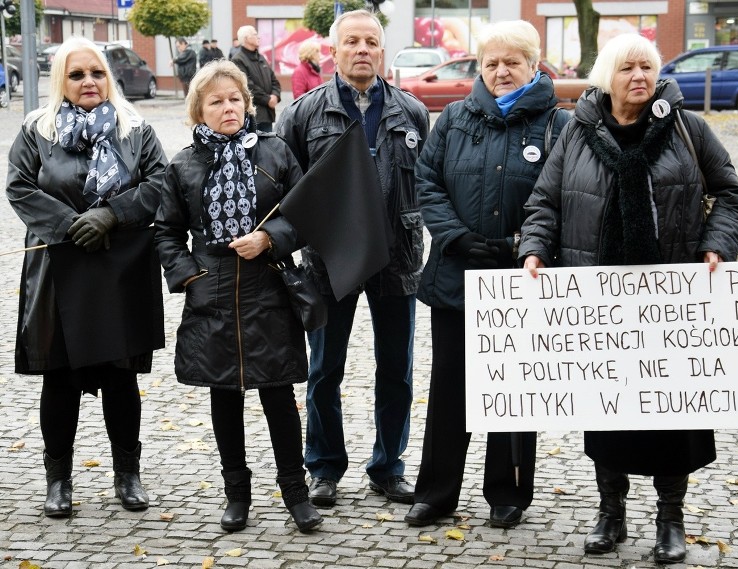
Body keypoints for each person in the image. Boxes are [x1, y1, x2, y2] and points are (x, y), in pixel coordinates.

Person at [518, 33, 738, 563]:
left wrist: (717, 243)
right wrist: (533, 249)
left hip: (673, 303)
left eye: (647, 67)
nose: (639, 77)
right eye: (627, 69)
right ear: (606, 77)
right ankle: (611, 513)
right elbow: (544, 203)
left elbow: (731, 196)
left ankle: (671, 519)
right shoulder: (577, 133)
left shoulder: (688, 129)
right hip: (600, 300)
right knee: (608, 414)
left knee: (673, 415)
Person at [404, 20, 570, 529]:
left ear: (532, 66)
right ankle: (436, 492)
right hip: (459, 273)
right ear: (480, 67)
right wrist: (454, 234)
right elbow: (425, 180)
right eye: (491, 63)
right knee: (451, 388)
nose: (501, 72)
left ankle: (507, 491)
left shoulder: (559, 125)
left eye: (511, 62)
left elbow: (563, 193)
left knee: (514, 389)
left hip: (525, 278)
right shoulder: (454, 118)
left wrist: (525, 244)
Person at [154, 59, 322, 534]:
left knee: (278, 393)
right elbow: (166, 232)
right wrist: (190, 276)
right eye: (216, 101)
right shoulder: (184, 165)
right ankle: (237, 494)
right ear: (198, 110)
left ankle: (295, 492)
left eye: (235, 99)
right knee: (224, 397)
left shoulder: (275, 152)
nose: (228, 108)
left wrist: (270, 239)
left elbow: (303, 212)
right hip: (212, 294)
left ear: (247, 104)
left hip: (267, 288)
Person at [5, 36, 168, 518]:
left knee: (120, 379)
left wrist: (112, 215)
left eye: (96, 72)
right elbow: (18, 185)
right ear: (62, 80)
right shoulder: (39, 129)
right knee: (60, 376)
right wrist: (70, 225)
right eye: (76, 75)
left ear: (108, 77)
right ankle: (58, 480)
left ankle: (127, 474)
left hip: (120, 269)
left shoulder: (134, 128)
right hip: (58, 268)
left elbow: (159, 183)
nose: (88, 82)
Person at [276, 9, 430, 509]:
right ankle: (324, 466)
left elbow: (427, 187)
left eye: (371, 42)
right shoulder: (302, 114)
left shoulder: (412, 112)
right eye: (352, 42)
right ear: (334, 51)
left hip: (397, 257)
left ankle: (388, 467)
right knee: (325, 370)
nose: (362, 50)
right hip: (328, 259)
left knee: (397, 371)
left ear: (381, 52)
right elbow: (284, 186)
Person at [230, 25, 280, 132]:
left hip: (267, 115)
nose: (258, 37)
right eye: (255, 34)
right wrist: (267, 99)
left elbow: (274, 80)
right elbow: (246, 86)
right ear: (246, 38)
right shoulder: (238, 60)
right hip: (252, 116)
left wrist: (275, 95)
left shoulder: (261, 58)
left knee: (268, 146)